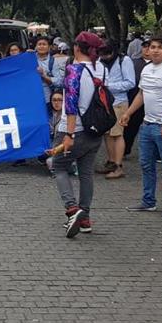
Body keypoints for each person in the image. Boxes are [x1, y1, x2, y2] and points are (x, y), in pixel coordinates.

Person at [119, 35, 162, 221]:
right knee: (146, 164)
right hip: (147, 125)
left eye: (159, 47)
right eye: (152, 47)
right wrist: (128, 113)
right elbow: (142, 94)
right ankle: (148, 201)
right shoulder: (147, 69)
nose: (155, 50)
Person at [51, 32, 107, 238]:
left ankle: (72, 209)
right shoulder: (100, 68)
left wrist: (69, 134)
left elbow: (71, 105)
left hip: (75, 129)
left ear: (76, 47)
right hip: (96, 129)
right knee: (86, 173)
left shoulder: (74, 70)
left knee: (58, 166)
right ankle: (85, 218)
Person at [95, 44, 136, 179]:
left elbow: (130, 83)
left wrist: (107, 86)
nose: (104, 57)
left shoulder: (124, 61)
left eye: (107, 54)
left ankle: (118, 166)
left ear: (113, 52)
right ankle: (111, 162)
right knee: (107, 134)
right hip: (104, 102)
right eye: (101, 54)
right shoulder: (100, 61)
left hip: (119, 102)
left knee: (117, 134)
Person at [123, 40, 152, 157]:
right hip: (135, 98)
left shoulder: (159, 64)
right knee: (131, 126)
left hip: (153, 101)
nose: (147, 49)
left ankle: (156, 153)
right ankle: (125, 149)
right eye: (145, 47)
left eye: (150, 47)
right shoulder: (133, 62)